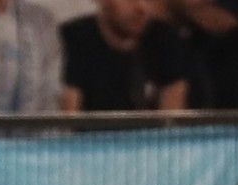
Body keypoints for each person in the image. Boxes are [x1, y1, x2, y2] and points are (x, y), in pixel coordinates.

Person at [61, 0, 191, 112]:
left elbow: (172, 120)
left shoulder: (166, 39)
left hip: (150, 140)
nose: (141, 7)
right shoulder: (74, 39)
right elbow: (69, 119)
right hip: (90, 140)